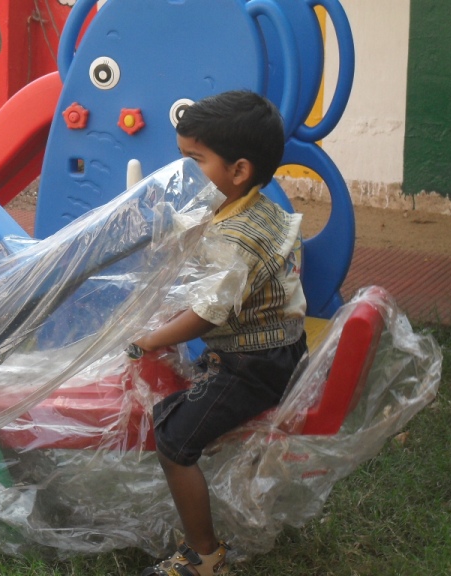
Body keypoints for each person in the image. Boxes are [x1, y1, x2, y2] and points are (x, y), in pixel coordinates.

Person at [134, 90, 307, 576]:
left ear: (239, 171)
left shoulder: (235, 239)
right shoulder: (251, 208)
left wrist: (152, 339)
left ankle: (204, 556)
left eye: (194, 160)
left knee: (174, 443)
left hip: (254, 365)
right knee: (179, 414)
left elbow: (206, 316)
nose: (184, 172)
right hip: (274, 346)